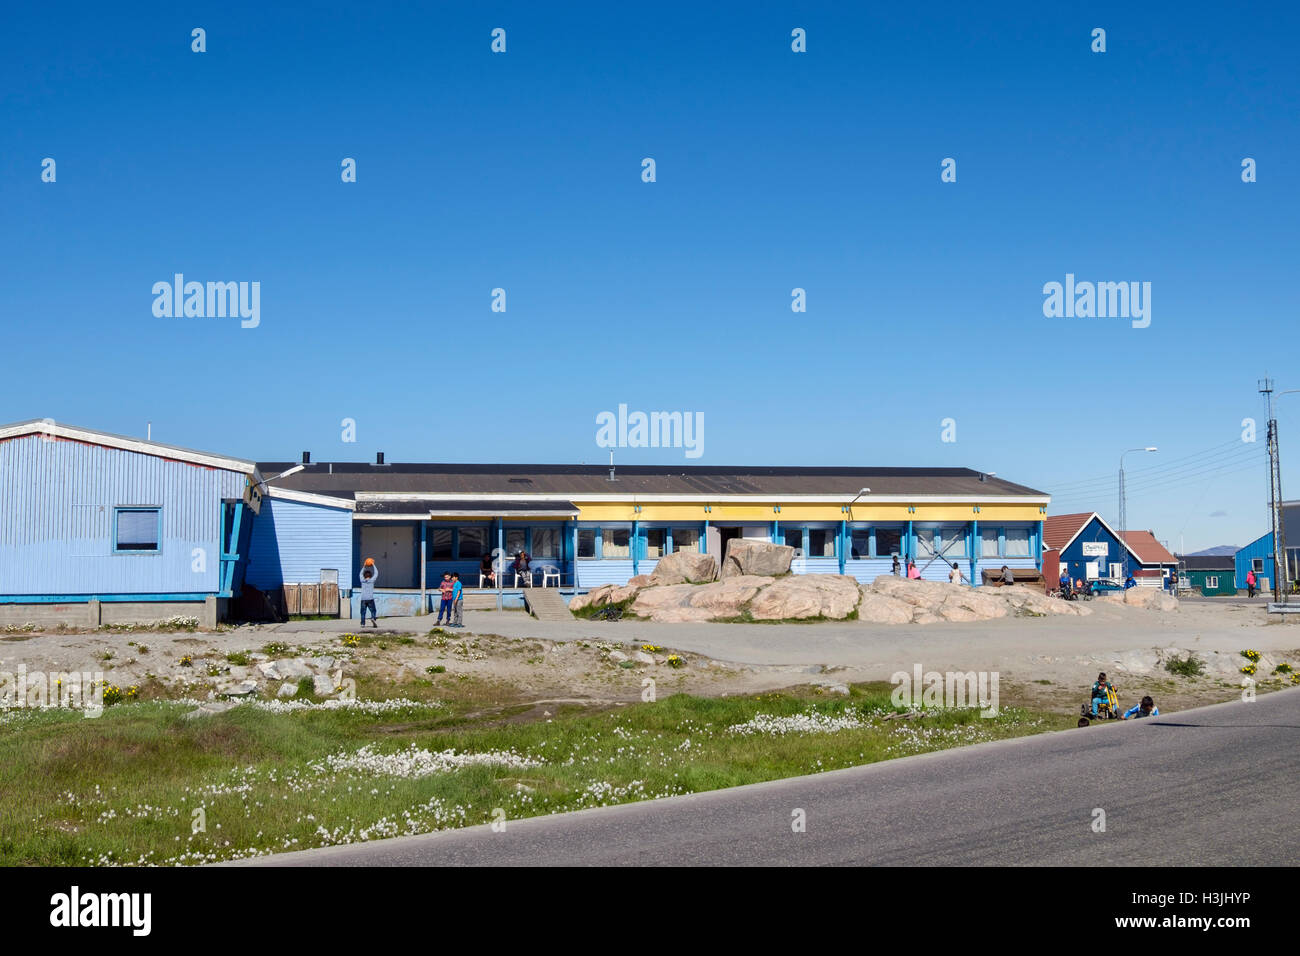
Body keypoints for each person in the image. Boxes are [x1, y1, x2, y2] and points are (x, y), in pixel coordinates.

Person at [358, 558, 379, 627]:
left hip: (363, 599)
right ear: (370, 576)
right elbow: (376, 573)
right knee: (373, 610)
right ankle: (373, 618)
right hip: (370, 599)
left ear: (364, 576)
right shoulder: (372, 580)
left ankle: (363, 624)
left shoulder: (362, 580)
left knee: (363, 612)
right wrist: (373, 565)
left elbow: (360, 573)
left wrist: (364, 566)